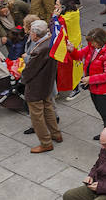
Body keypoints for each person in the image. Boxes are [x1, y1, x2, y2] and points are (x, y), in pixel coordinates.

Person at [22, 19, 63, 152]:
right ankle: (56, 134)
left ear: (35, 34)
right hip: (47, 82)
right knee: (48, 108)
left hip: (36, 86)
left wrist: (23, 78)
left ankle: (45, 143)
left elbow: (29, 71)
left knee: (37, 116)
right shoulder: (51, 41)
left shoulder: (39, 49)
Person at [76, 27, 106, 133]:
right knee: (101, 111)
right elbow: (79, 55)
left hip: (104, 90)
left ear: (99, 41)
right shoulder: (92, 47)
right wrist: (72, 49)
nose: (91, 44)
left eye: (93, 42)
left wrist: (90, 79)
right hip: (94, 87)